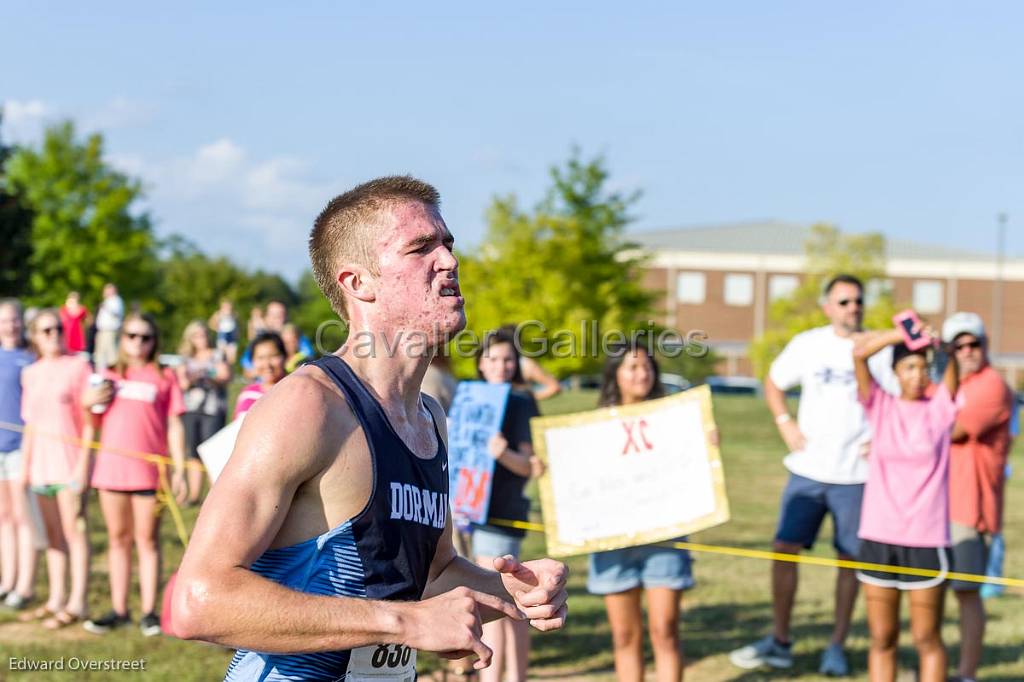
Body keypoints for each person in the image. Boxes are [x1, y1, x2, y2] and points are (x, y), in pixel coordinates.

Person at [173, 176, 567, 680]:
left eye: (448, 244)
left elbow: (431, 575)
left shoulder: (430, 418)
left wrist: (517, 589)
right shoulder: (309, 406)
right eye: (421, 247)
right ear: (359, 283)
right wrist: (402, 623)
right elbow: (198, 600)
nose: (449, 261)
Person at [730, 274, 898, 675]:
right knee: (784, 549)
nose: (851, 308)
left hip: (857, 476)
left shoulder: (878, 348)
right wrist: (785, 420)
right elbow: (773, 382)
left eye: (857, 301)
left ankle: (836, 646)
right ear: (827, 307)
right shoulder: (809, 344)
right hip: (808, 471)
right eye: (843, 302)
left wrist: (883, 438)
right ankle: (781, 639)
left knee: (848, 561)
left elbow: (897, 400)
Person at [852, 324, 958, 682]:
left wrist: (938, 344)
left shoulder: (940, 409)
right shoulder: (880, 405)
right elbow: (860, 354)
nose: (918, 375)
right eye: (910, 367)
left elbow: (952, 363)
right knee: (883, 638)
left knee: (926, 637)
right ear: (895, 373)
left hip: (926, 540)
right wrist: (902, 336)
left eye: (924, 367)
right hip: (879, 537)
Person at [588, 341, 693, 682]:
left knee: (665, 631)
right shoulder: (591, 427)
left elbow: (689, 468)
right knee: (624, 636)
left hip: (663, 538)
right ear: (615, 375)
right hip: (613, 543)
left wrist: (705, 444)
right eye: (632, 367)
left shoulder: (674, 420)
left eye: (647, 367)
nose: (641, 374)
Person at [83, 312, 187, 637]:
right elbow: (93, 422)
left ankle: (148, 613)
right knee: (117, 540)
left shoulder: (164, 376)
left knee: (147, 541)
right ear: (121, 338)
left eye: (145, 337)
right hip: (112, 470)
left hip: (149, 472)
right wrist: (88, 404)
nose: (137, 343)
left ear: (155, 341)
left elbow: (174, 425)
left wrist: (180, 469)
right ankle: (118, 609)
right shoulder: (108, 374)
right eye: (131, 336)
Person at [940, 312, 1014, 682]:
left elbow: (947, 429)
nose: (968, 351)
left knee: (967, 592)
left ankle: (966, 674)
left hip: (970, 508)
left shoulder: (992, 386)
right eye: (960, 345)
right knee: (931, 590)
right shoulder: (949, 383)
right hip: (936, 506)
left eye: (975, 344)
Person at [473, 330, 542, 682]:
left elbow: (531, 466)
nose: (501, 366)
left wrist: (502, 453)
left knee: (494, 603)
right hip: (466, 513)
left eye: (508, 359)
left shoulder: (521, 401)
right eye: (493, 358)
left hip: (501, 515)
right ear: (481, 363)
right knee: (509, 603)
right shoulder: (469, 398)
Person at [18, 309, 94, 628]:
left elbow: (91, 423)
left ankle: (78, 602)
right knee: (52, 537)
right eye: (46, 331)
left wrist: (83, 469)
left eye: (58, 329)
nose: (54, 335)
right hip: (40, 468)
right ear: (35, 335)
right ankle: (56, 598)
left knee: (75, 533)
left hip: (69, 465)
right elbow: (31, 425)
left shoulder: (79, 366)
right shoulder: (31, 373)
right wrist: (25, 469)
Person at [0, 300, 40, 611]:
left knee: (23, 518)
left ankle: (25, 586)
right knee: (4, 518)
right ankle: (8, 580)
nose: (10, 325)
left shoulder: (30, 360)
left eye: (14, 319)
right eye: (4, 321)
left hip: (20, 448)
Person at [176, 320, 231, 506]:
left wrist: (203, 375)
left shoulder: (217, 354)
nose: (202, 338)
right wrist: (200, 375)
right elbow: (182, 383)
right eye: (197, 335)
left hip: (213, 409)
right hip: (191, 409)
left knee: (212, 453)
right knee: (193, 453)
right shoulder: (185, 358)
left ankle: (215, 495)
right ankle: (194, 495)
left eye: (204, 334)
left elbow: (225, 376)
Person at [240, 301, 313, 377]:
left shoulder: (297, 337)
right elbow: (247, 371)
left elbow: (309, 360)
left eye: (282, 315)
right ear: (265, 317)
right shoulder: (259, 343)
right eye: (274, 315)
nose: (278, 319)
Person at [233, 332, 287, 419]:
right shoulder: (248, 395)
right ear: (253, 361)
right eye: (260, 358)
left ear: (284, 357)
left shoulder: (295, 391)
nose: (267, 364)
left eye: (273, 356)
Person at [93, 283, 124, 369]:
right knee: (100, 353)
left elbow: (116, 313)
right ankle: (101, 372)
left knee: (111, 353)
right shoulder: (107, 301)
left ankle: (114, 371)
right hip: (102, 331)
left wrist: (106, 307)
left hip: (110, 331)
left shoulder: (116, 300)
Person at [208, 300, 239, 365]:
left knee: (232, 356)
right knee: (221, 355)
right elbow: (210, 323)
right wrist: (217, 329)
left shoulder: (234, 314)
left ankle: (230, 371)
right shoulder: (218, 314)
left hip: (232, 336)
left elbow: (237, 325)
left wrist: (237, 333)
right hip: (223, 335)